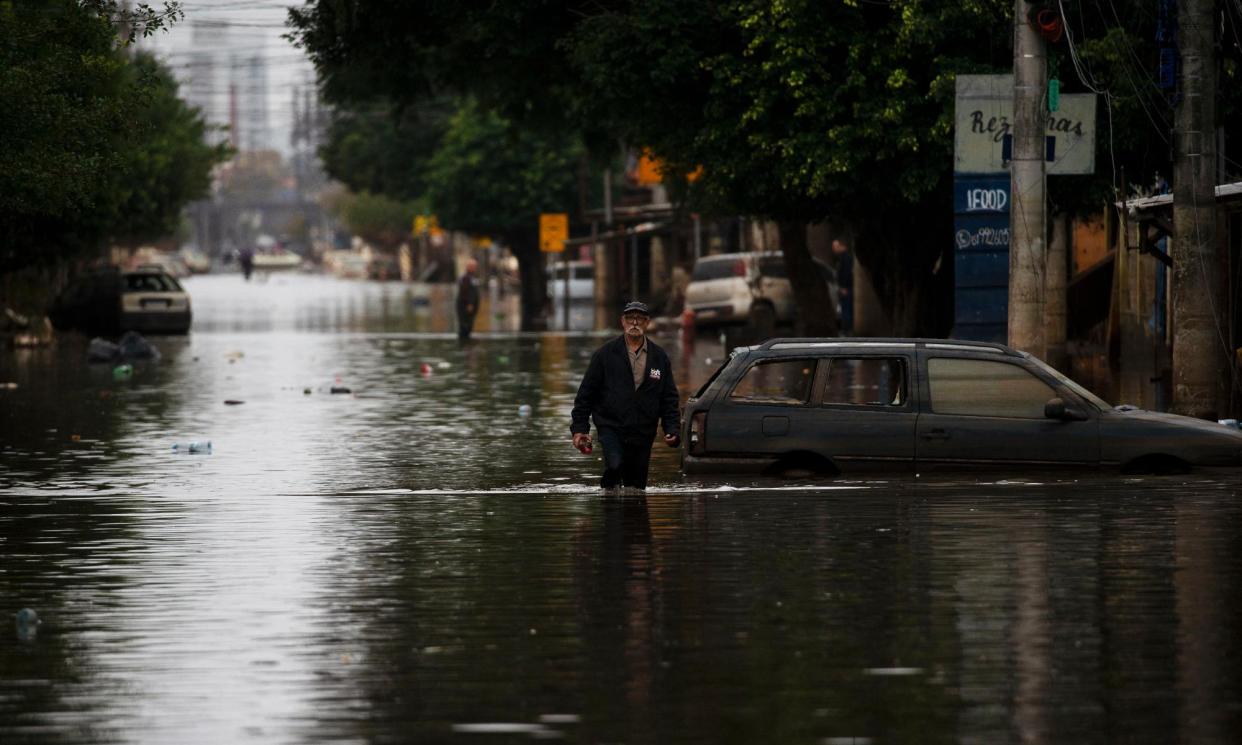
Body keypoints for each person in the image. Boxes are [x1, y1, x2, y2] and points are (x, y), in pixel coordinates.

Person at [571, 301, 681, 494]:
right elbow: (586, 394)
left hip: (643, 430)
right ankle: (608, 503)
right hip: (611, 426)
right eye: (630, 318)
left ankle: (632, 522)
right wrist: (580, 429)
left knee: (636, 487)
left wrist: (671, 428)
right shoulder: (605, 355)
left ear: (647, 323)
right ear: (622, 321)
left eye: (639, 318)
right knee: (614, 465)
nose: (635, 323)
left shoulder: (659, 357)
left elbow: (669, 397)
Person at [831, 239, 854, 334]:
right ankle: (846, 329)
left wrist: (844, 287)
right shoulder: (842, 258)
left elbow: (846, 273)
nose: (833, 249)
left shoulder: (846, 258)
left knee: (846, 310)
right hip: (844, 288)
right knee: (844, 309)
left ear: (842, 246)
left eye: (835, 246)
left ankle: (847, 330)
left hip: (846, 288)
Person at [456, 258, 481, 341]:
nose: (475, 268)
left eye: (475, 266)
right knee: (465, 326)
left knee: (469, 326)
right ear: (468, 267)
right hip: (465, 307)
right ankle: (463, 345)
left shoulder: (473, 277)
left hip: (470, 306)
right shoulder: (466, 278)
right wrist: (470, 304)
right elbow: (466, 292)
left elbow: (474, 292)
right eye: (473, 266)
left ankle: (467, 344)